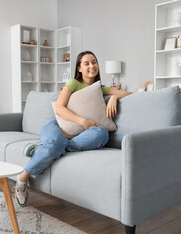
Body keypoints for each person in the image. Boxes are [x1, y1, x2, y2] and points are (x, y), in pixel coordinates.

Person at [13, 51, 132, 207]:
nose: (92, 66)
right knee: (57, 141)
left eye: (94, 62)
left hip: (79, 136)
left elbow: (129, 93)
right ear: (79, 68)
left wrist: (114, 97)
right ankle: (21, 180)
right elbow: (60, 109)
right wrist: (84, 121)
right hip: (57, 127)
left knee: (102, 133)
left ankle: (45, 149)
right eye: (87, 63)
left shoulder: (100, 88)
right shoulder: (73, 83)